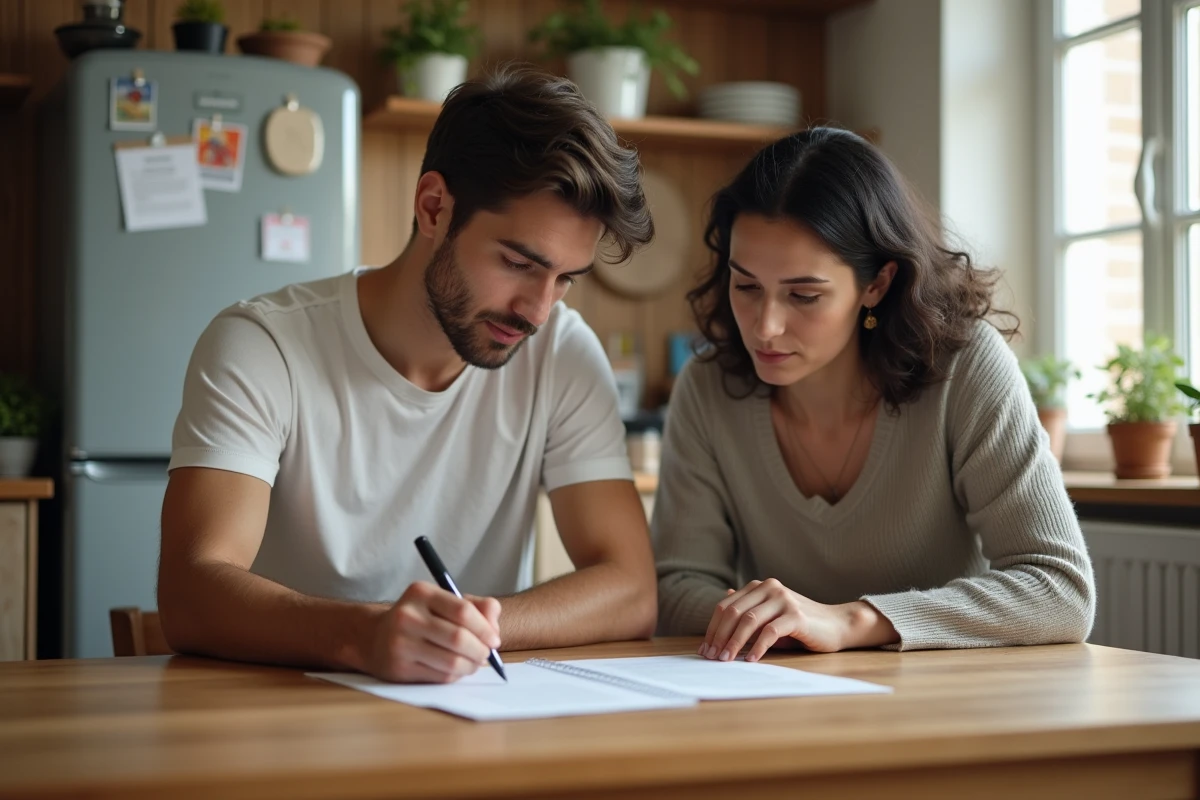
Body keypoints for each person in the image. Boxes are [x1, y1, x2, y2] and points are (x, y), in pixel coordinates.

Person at [158, 67, 658, 684]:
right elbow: (189, 593)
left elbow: (632, 590)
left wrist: (471, 628)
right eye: (518, 263)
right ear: (433, 207)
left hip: (471, 718)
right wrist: (363, 636)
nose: (537, 310)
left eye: (564, 279)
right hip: (283, 723)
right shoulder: (262, 346)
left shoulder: (561, 353)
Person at [653, 127, 1095, 661]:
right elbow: (675, 587)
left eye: (804, 294)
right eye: (746, 286)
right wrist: (777, 625)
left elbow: (1061, 590)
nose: (765, 327)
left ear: (877, 283)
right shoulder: (707, 388)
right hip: (784, 700)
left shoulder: (965, 368)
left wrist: (850, 621)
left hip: (952, 704)